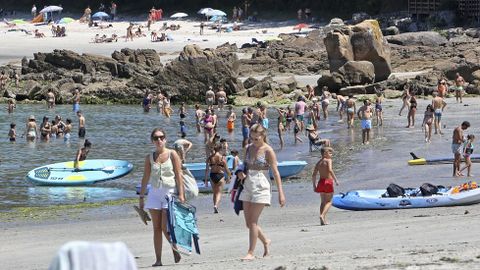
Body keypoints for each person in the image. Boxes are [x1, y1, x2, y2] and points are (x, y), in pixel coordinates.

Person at [138, 128, 185, 267]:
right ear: (152, 141)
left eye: (161, 137)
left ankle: (174, 248)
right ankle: (158, 260)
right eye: (156, 138)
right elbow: (145, 178)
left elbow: (178, 175)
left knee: (165, 227)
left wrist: (181, 194)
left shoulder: (172, 154)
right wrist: (141, 196)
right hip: (154, 193)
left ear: (165, 139)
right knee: (156, 228)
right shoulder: (149, 157)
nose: (159, 140)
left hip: (168, 193)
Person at [240, 124, 285, 260]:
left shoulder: (268, 150)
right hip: (247, 184)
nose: (254, 141)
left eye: (256, 138)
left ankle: (250, 253)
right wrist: (240, 172)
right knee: (248, 223)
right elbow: (244, 165)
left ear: (263, 135)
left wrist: (281, 193)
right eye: (252, 138)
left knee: (253, 221)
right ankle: (265, 241)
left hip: (262, 184)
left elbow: (276, 173)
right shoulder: (248, 148)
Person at [312, 147, 339, 226]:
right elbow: (330, 170)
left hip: (321, 182)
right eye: (330, 152)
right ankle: (322, 215)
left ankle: (323, 219)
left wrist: (314, 185)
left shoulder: (318, 162)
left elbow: (313, 175)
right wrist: (336, 180)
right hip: (328, 182)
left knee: (323, 202)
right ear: (324, 154)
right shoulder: (328, 160)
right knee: (329, 201)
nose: (331, 154)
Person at [204, 143, 231, 213]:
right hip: (220, 175)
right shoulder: (222, 158)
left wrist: (206, 180)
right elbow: (227, 169)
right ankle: (216, 205)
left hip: (212, 175)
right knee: (219, 192)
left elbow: (207, 169)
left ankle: (215, 206)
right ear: (220, 149)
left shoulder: (209, 158)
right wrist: (229, 177)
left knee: (214, 193)